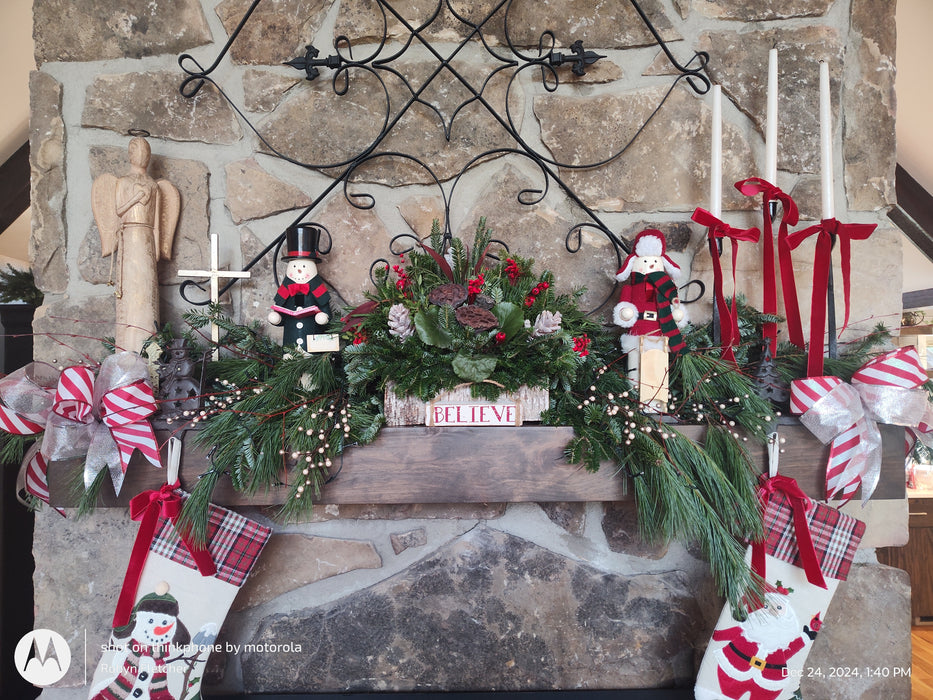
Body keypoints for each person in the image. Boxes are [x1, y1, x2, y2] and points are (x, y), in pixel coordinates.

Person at [92, 135, 180, 354]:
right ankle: (128, 347)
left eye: (144, 152)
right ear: (130, 155)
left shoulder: (153, 185)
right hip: (130, 236)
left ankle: (150, 349)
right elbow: (119, 211)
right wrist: (136, 198)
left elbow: (157, 221)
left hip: (147, 239)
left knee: (147, 290)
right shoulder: (123, 182)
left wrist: (157, 248)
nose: (141, 156)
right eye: (137, 152)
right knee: (131, 288)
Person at [267, 224, 331, 350]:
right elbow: (281, 316)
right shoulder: (286, 290)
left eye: (304, 266)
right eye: (295, 266)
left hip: (313, 344)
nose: (299, 270)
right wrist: (277, 319)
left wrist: (323, 317)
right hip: (290, 344)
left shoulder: (317, 290)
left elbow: (326, 311)